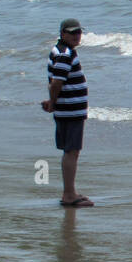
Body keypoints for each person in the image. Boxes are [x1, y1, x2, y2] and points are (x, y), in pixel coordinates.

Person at [43, 18, 92, 207]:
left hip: (68, 110)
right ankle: (69, 194)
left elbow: (55, 81)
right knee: (72, 151)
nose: (76, 36)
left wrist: (52, 102)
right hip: (70, 111)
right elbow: (56, 82)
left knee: (71, 151)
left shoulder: (61, 52)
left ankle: (70, 192)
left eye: (79, 32)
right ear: (63, 33)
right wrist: (53, 102)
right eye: (72, 32)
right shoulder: (64, 54)